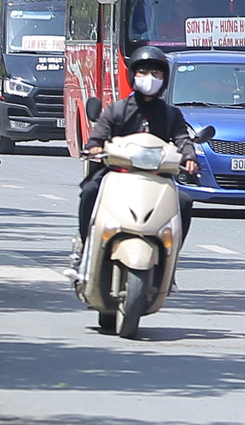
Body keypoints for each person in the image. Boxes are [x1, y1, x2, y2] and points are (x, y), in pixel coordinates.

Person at [74, 45, 199, 269]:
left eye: (156, 73)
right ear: (133, 75)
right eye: (143, 72)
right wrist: (94, 147)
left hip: (157, 177)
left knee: (185, 202)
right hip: (118, 173)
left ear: (164, 78)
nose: (149, 78)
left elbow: (183, 139)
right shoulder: (118, 110)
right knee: (89, 193)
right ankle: (86, 249)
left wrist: (189, 157)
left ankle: (169, 260)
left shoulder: (171, 114)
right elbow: (98, 136)